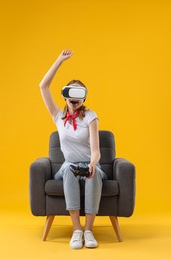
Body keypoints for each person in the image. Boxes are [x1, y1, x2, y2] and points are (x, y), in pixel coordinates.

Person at [39, 50, 107, 249]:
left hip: (89, 165)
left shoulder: (90, 117)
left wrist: (93, 164)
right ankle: (77, 231)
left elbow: (96, 151)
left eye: (79, 93)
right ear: (66, 95)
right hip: (68, 167)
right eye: (71, 91)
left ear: (84, 98)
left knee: (93, 175)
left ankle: (89, 230)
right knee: (69, 170)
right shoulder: (58, 117)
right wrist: (59, 60)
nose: (75, 97)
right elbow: (43, 86)